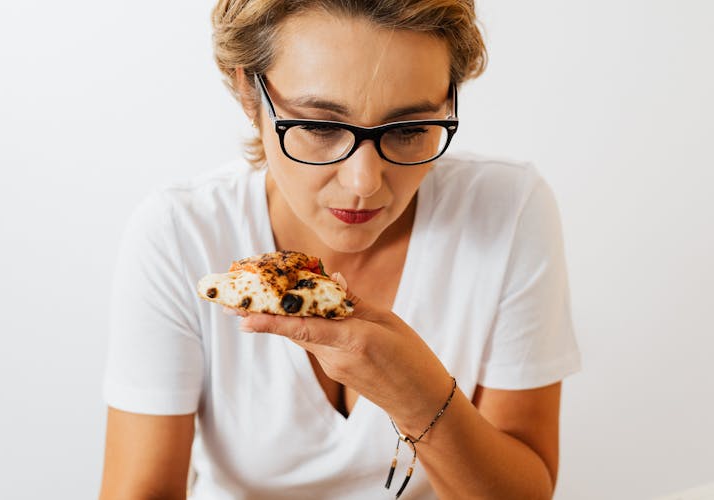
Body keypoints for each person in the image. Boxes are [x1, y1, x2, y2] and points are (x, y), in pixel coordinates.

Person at [99, 1, 581, 499]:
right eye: (319, 127)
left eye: (409, 129)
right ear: (248, 90)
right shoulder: (181, 233)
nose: (364, 183)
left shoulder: (508, 211)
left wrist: (421, 399)